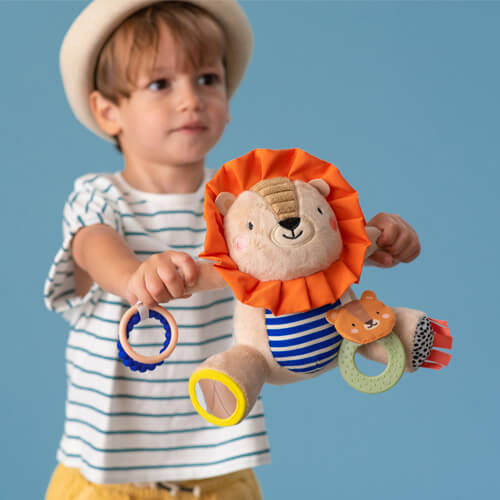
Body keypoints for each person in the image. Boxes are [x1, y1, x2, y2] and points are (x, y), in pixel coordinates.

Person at [44, 1, 421, 498]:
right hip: (107, 480)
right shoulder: (101, 196)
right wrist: (133, 275)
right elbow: (92, 246)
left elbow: (307, 249)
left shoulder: (242, 206)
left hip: (222, 471)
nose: (191, 100)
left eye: (207, 79)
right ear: (107, 110)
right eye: (160, 84)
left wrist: (371, 238)